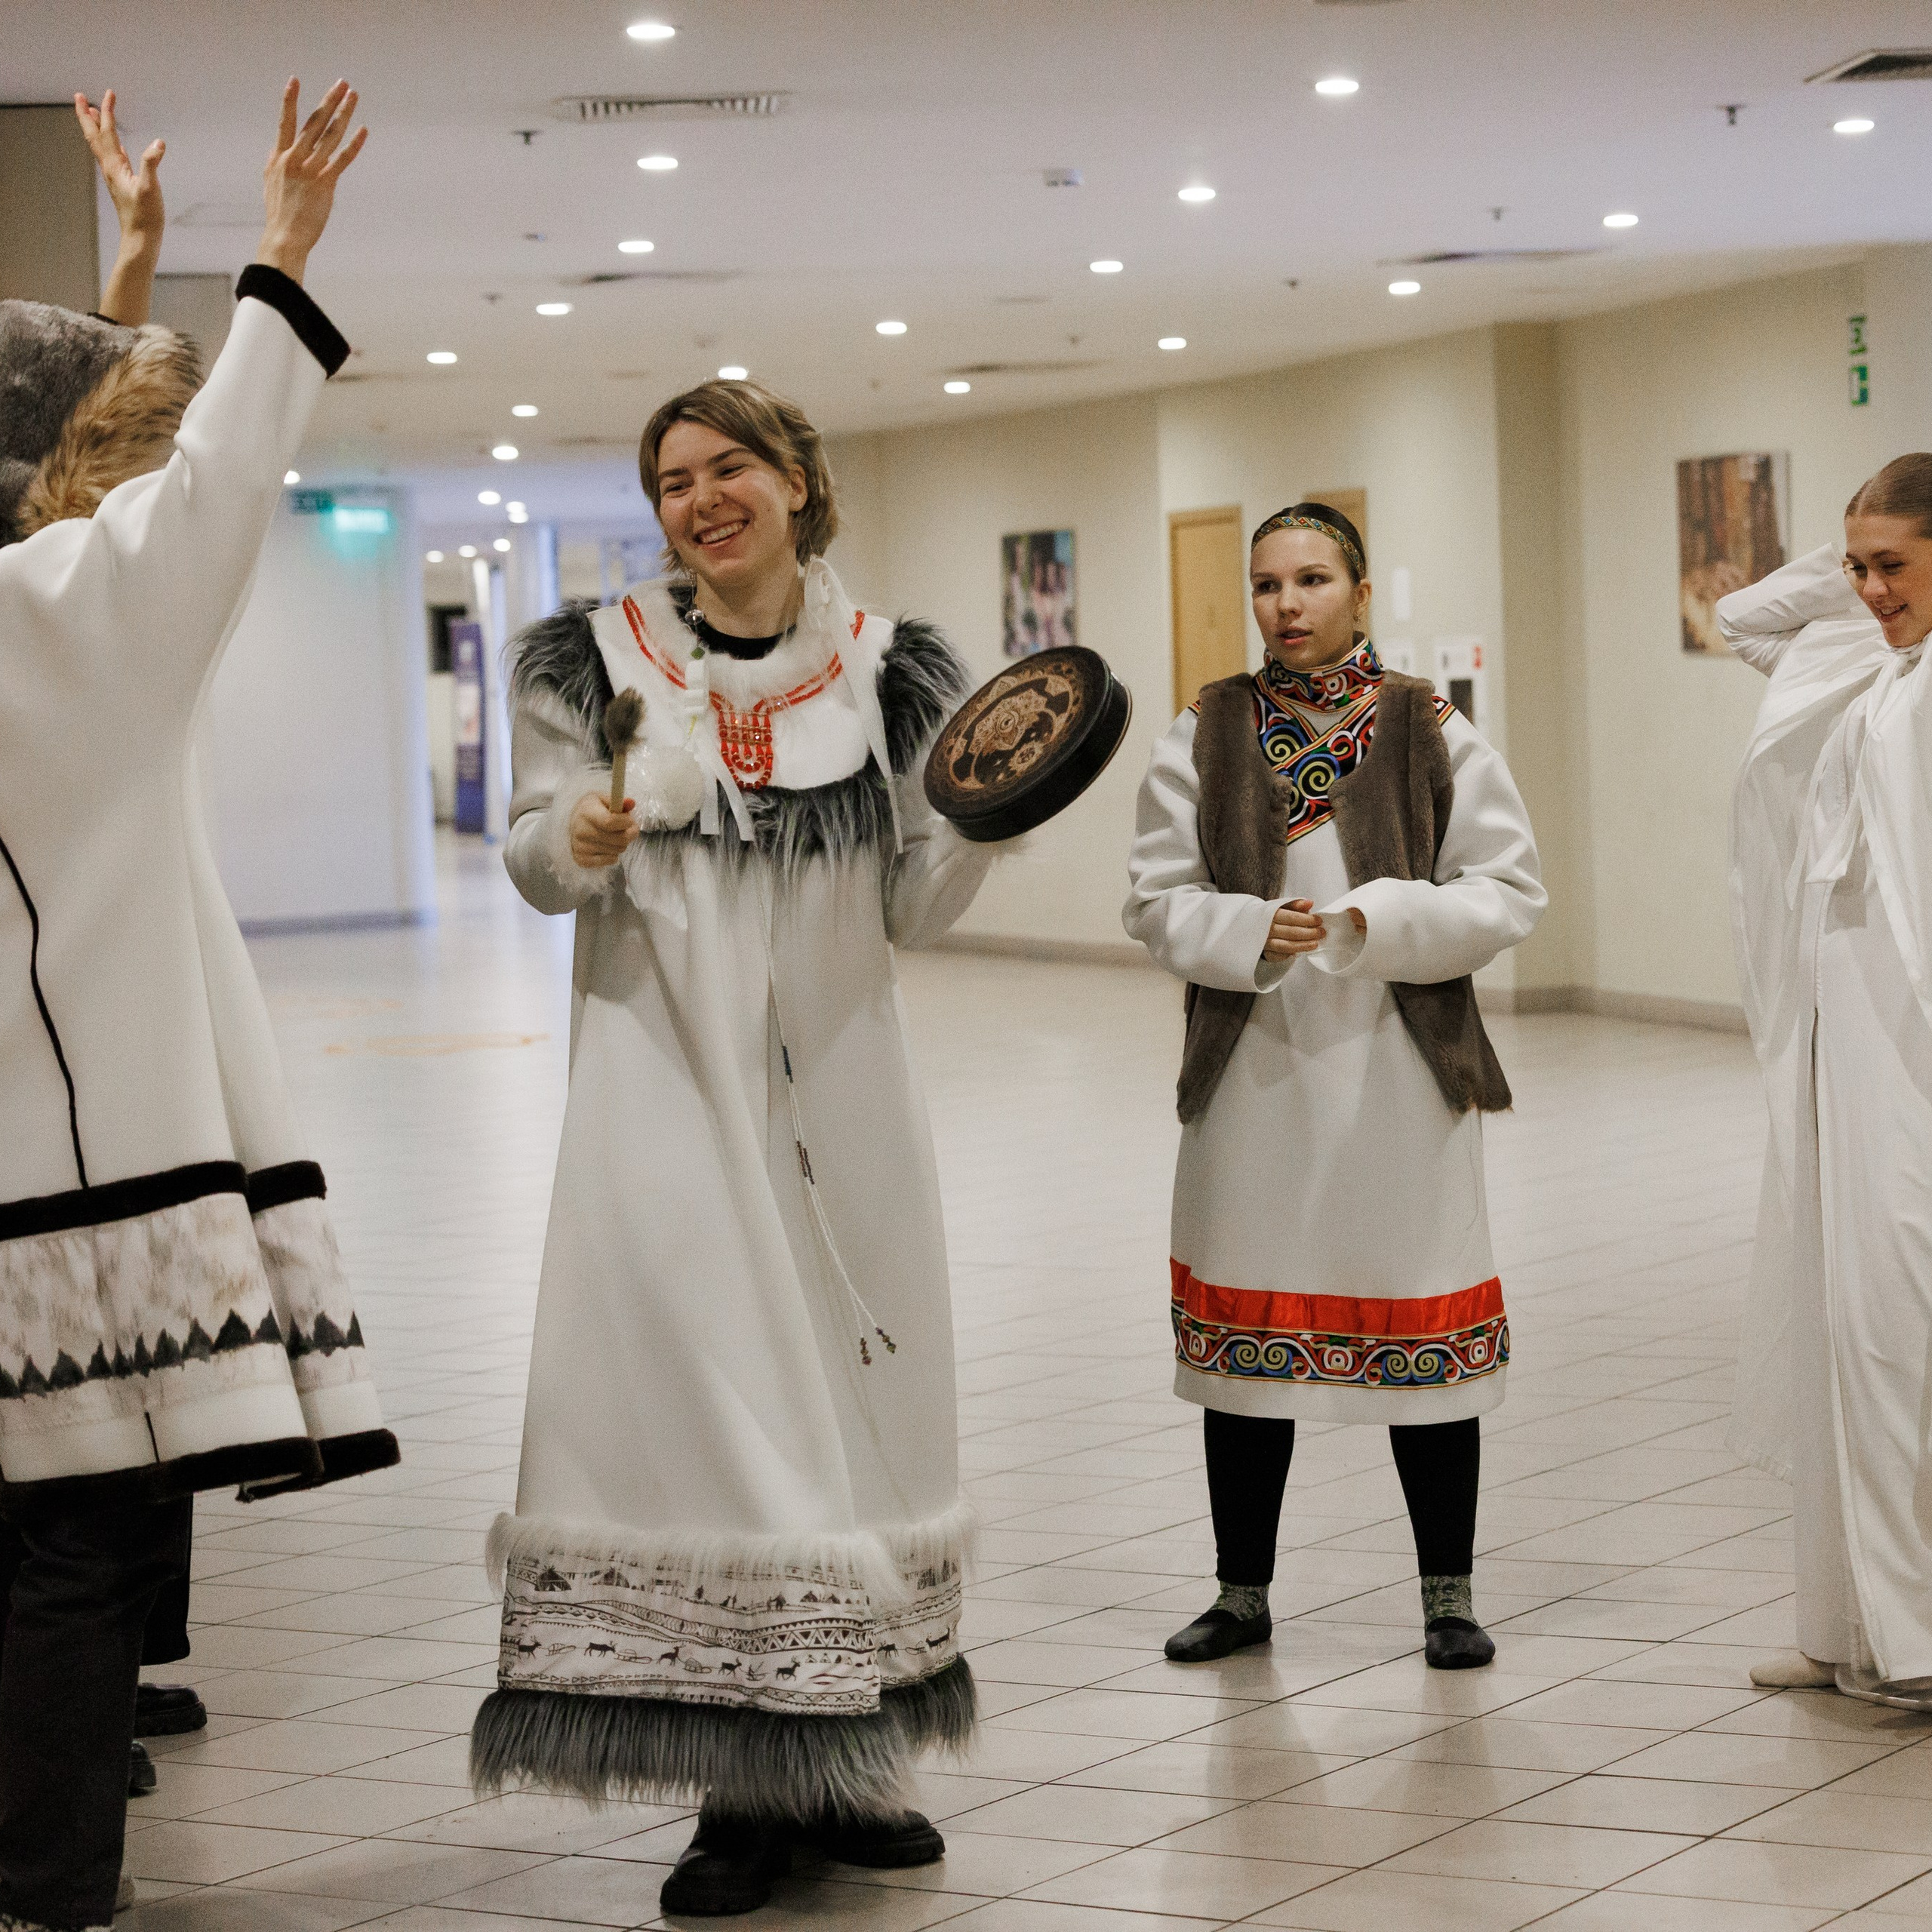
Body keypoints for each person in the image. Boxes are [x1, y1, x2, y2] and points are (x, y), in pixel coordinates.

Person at [471, 379, 1001, 1918]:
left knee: (856, 1420)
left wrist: (980, 822)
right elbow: (528, 854)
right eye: (671, 479)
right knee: (712, 1420)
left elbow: (910, 901)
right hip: (665, 1101)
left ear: (795, 481)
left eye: (729, 470)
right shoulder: (592, 663)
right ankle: (734, 1788)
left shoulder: (894, 672)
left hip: (846, 1109)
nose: (699, 500)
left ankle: (846, 1765)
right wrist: (571, 837)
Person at [0, 80, 392, 1931]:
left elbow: (145, 450)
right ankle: (52, 1881)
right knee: (69, 1536)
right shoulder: (70, 609)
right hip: (75, 1179)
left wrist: (152, 265)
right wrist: (283, 254)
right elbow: (213, 464)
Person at [1123, 503, 1544, 1671]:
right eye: (1266, 584)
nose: (1287, 605)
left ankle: (1448, 1596)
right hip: (1254, 1071)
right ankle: (1242, 1593)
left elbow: (1509, 888)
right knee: (1244, 1349)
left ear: (1360, 591)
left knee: (1423, 1322)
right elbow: (1154, 899)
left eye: (1311, 579)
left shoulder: (1430, 726)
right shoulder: (1203, 730)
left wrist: (1375, 919)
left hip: (1402, 1071)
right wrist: (1255, 929)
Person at [1725, 458, 1932, 1709]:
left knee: (1891, 1317)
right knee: (1836, 1309)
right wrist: (1860, 562)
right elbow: (1750, 621)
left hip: (1908, 1043)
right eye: (1853, 566)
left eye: (1891, 565)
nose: (1865, 590)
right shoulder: (1875, 663)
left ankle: (1910, 1633)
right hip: (1836, 1025)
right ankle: (1846, 1624)